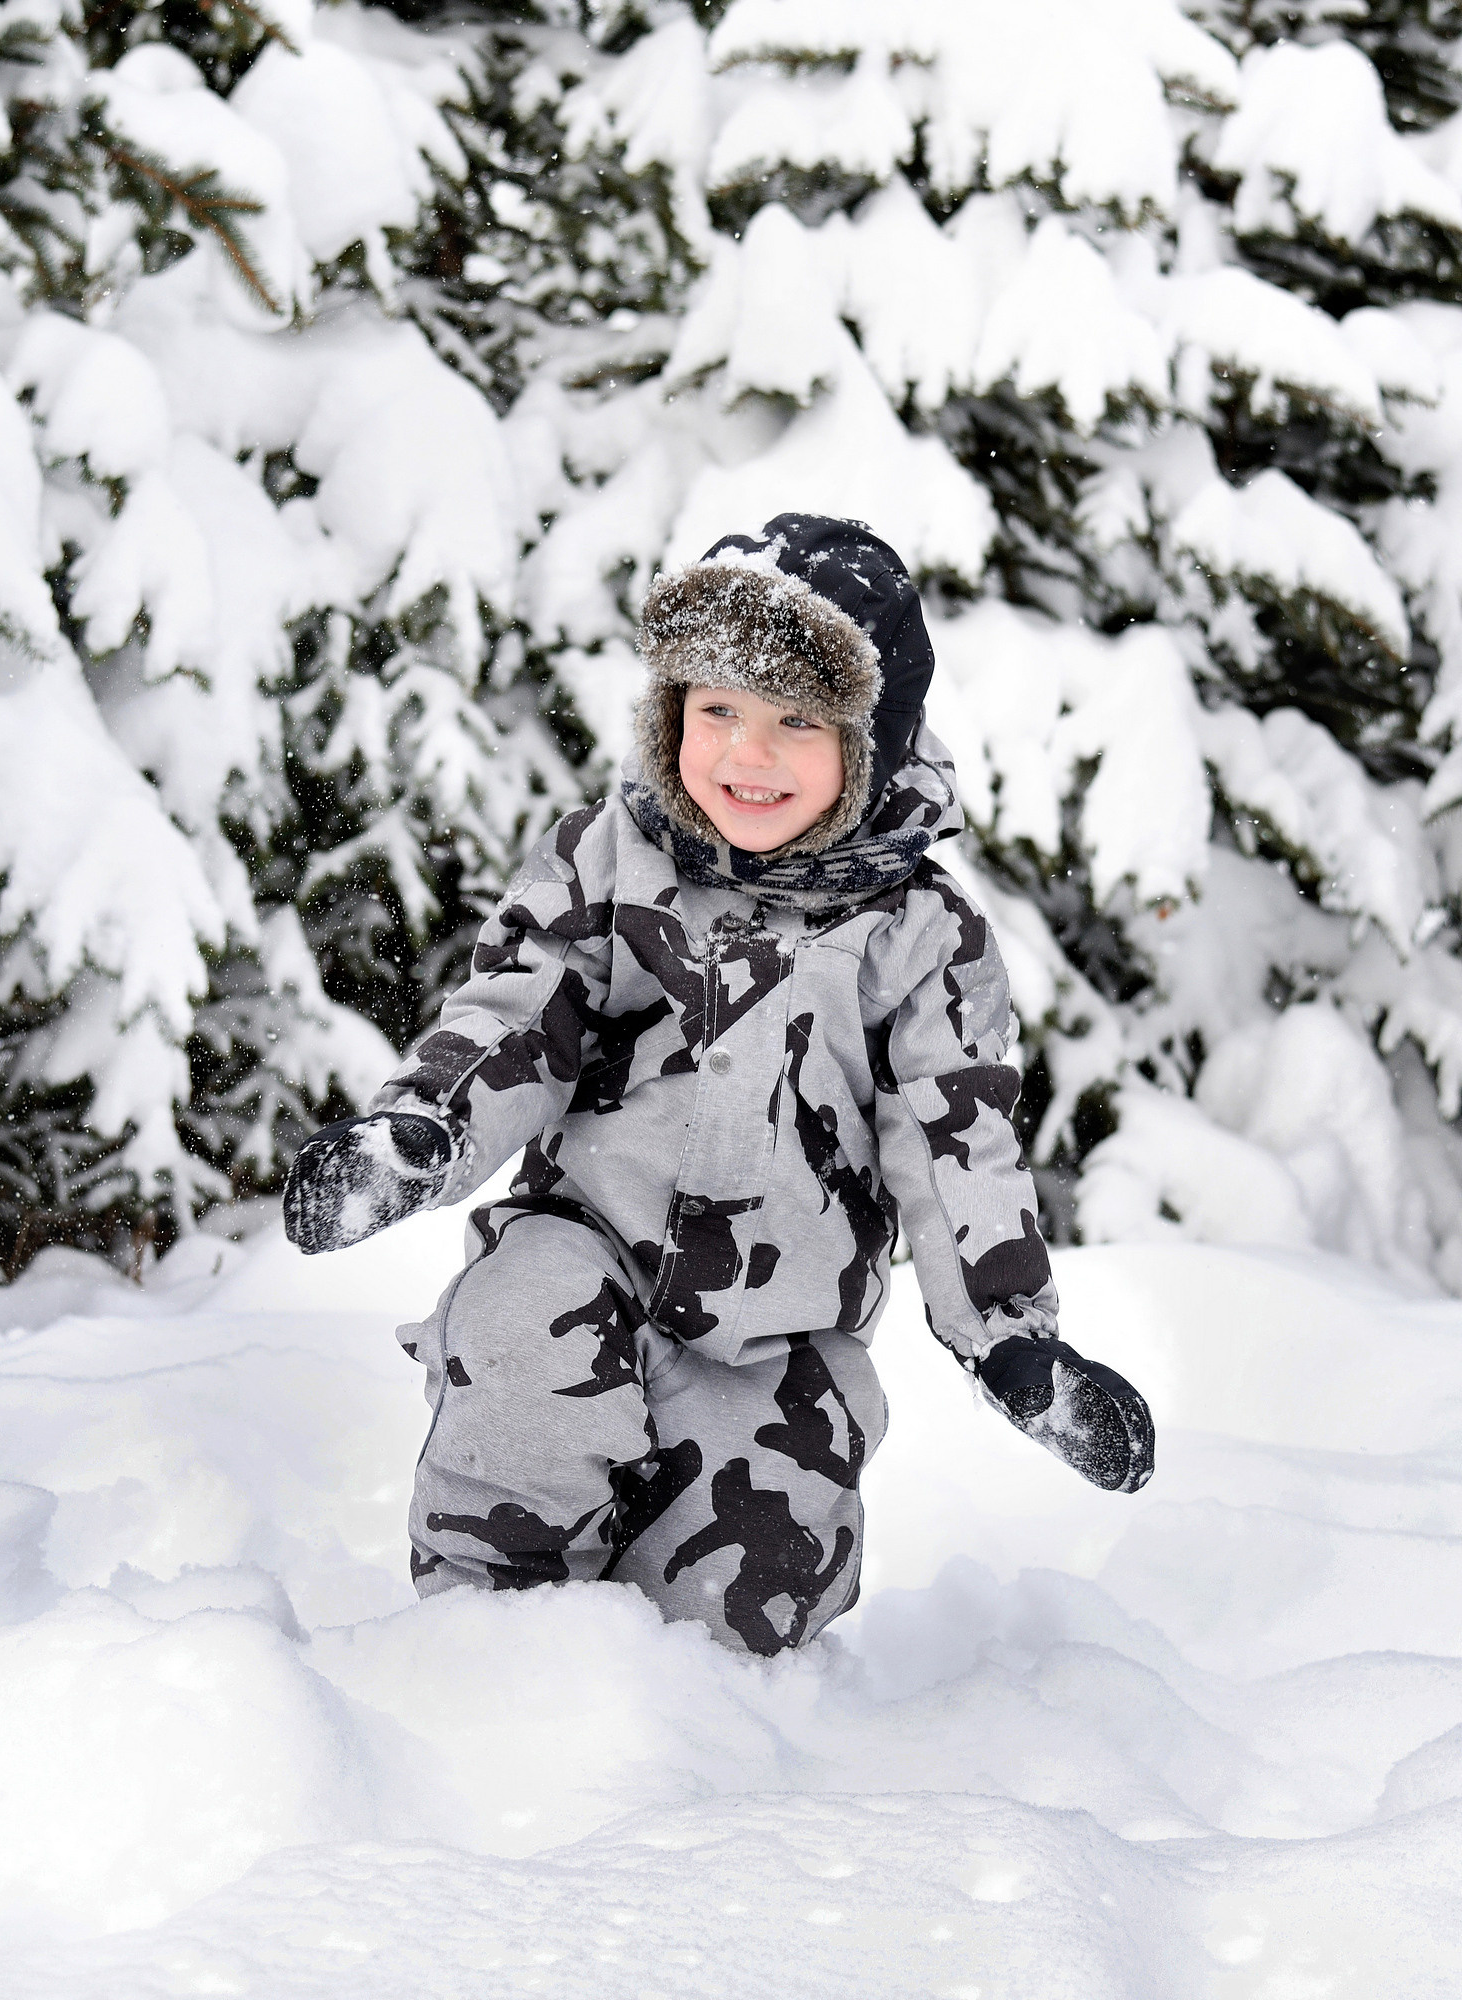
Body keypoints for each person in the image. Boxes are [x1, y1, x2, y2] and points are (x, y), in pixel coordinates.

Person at [282, 513, 1154, 1657]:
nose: (746, 755)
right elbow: (515, 1013)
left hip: (777, 1332)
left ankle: (687, 1753)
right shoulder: (612, 858)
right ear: (672, 714)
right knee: (517, 1350)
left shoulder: (918, 933)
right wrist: (419, 1133)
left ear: (871, 740)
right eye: (717, 712)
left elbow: (955, 1147)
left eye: (797, 721)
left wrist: (1009, 1340)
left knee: (736, 1614)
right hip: (583, 1243)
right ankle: (478, 1665)